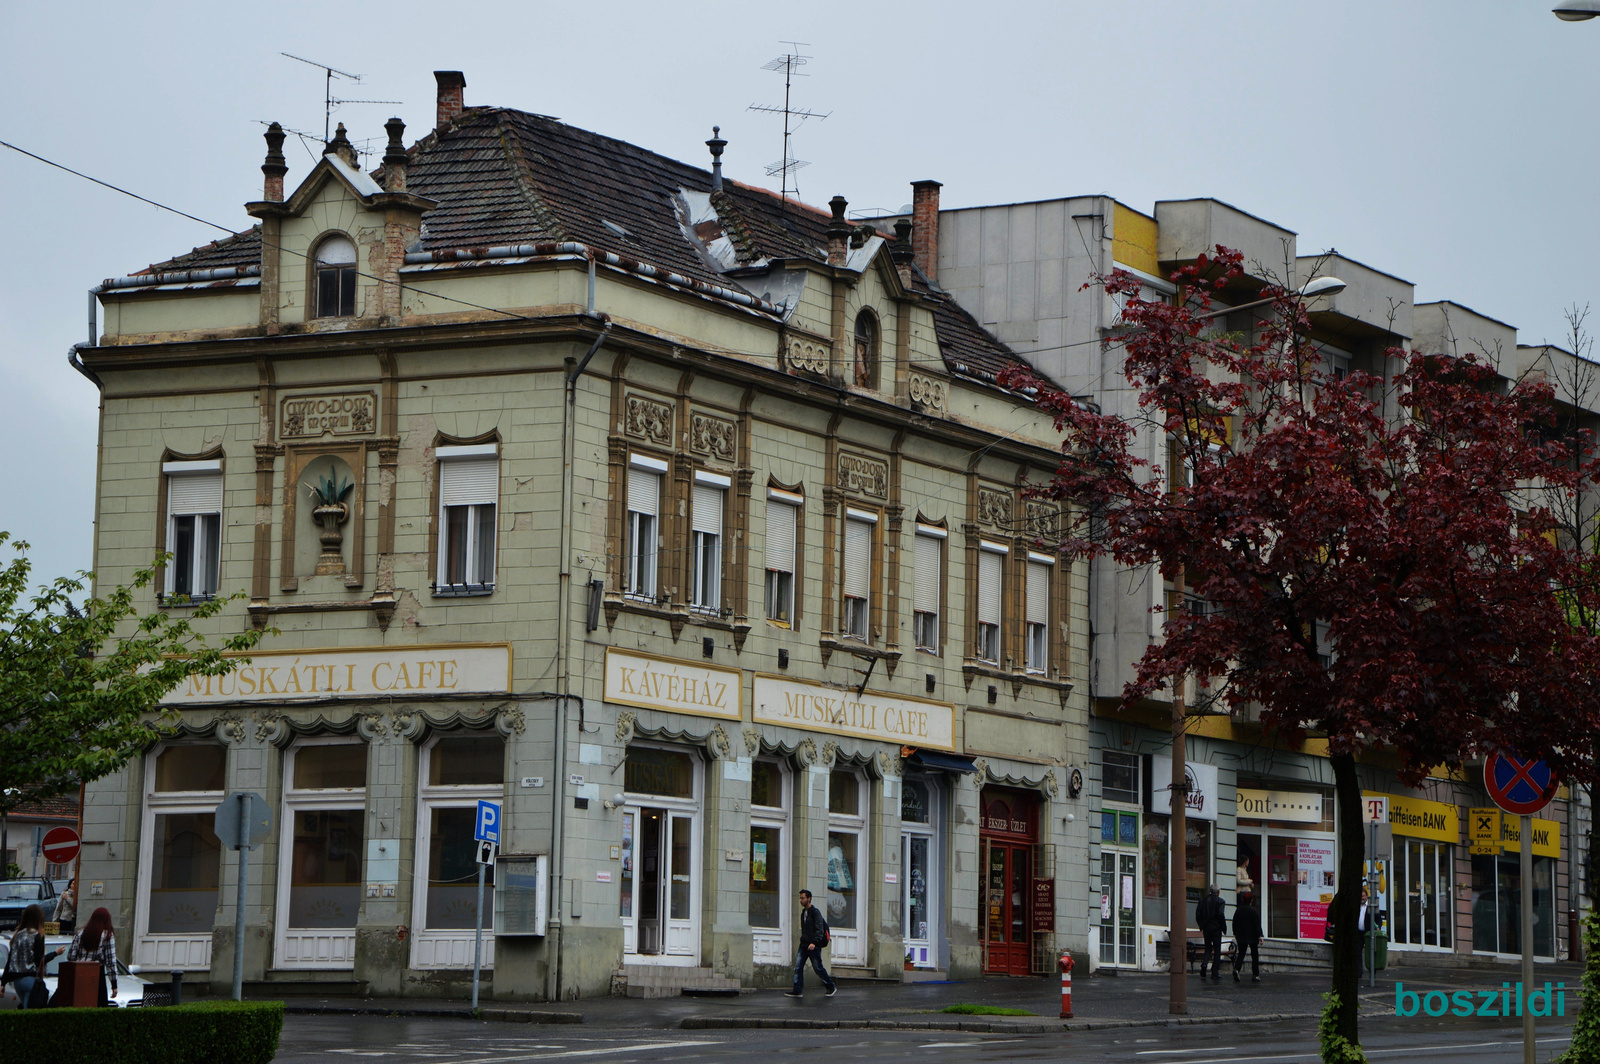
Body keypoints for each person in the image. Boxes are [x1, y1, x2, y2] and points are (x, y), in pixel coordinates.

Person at [3, 903, 65, 1009]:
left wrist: (3, 983)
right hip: (31, 980)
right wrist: (55, 953)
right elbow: (39, 960)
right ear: (39, 919)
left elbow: (10, 960)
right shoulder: (37, 935)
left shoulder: (17, 935)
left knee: (27, 1010)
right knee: (31, 1013)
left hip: (17, 982)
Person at [784, 889, 837, 998]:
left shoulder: (815, 912)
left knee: (818, 968)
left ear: (809, 898)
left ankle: (831, 986)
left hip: (813, 946)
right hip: (804, 945)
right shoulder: (804, 912)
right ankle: (797, 990)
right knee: (798, 966)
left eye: (803, 898)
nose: (801, 900)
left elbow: (819, 929)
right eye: (800, 898)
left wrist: (814, 942)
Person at [66, 906, 118, 1006]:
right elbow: (111, 961)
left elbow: (71, 956)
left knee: (80, 1004)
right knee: (98, 1006)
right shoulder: (107, 935)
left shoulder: (80, 933)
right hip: (97, 974)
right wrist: (114, 985)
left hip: (79, 973)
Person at [1195, 883, 1227, 980]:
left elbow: (1198, 914)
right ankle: (1215, 971)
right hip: (1216, 928)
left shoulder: (1203, 900)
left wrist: (1201, 925)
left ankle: (1204, 964)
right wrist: (1223, 927)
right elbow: (1221, 915)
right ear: (1218, 892)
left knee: (1208, 947)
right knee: (1217, 950)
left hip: (1206, 928)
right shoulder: (1220, 901)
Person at [1233, 891, 1262, 983]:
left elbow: (1235, 923)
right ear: (1251, 900)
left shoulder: (1239, 910)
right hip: (1252, 936)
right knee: (1254, 955)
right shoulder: (1253, 910)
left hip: (1241, 935)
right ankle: (1255, 974)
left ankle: (1237, 969)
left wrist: (1235, 933)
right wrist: (1260, 935)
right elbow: (1257, 924)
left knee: (1241, 953)